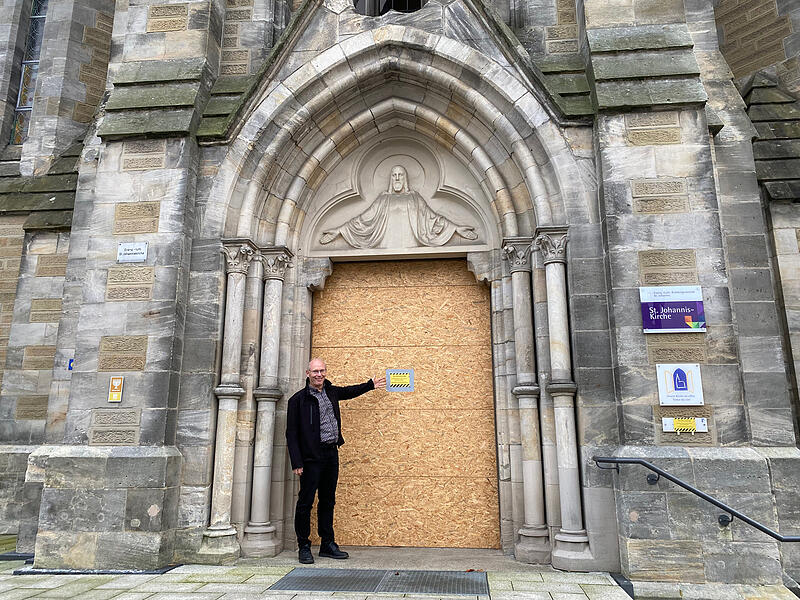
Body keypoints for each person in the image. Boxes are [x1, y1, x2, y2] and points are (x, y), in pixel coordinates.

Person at [286, 358, 386, 564]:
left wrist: (370, 385)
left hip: (331, 455)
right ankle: (304, 546)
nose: (319, 375)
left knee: (328, 500)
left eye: (322, 371)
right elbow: (291, 434)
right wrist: (297, 462)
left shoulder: (331, 392)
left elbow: (349, 391)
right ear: (307, 373)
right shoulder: (298, 400)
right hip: (310, 459)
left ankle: (327, 544)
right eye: (315, 371)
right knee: (305, 503)